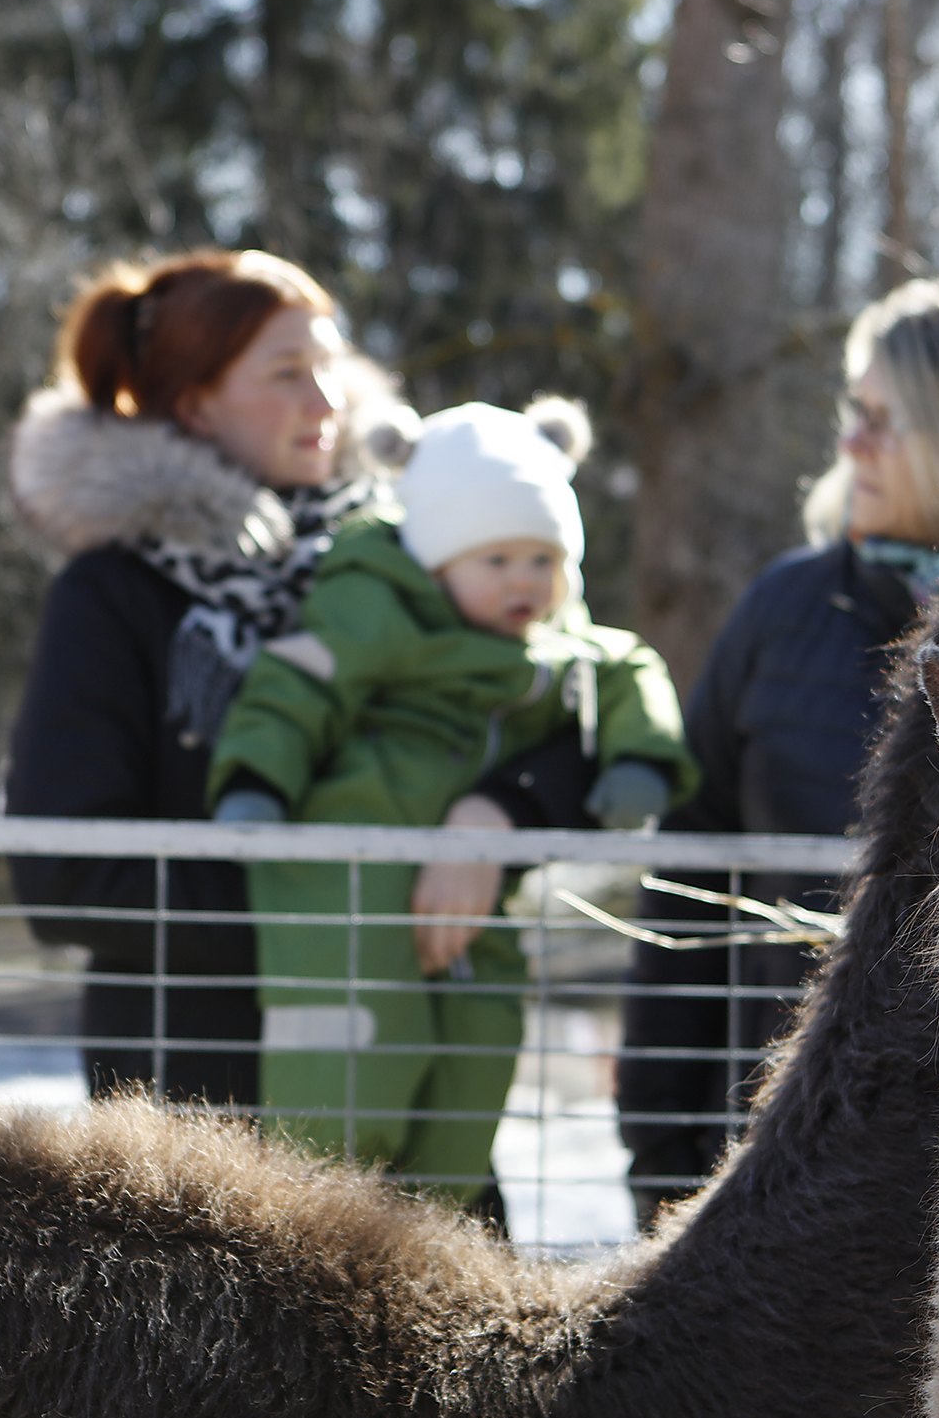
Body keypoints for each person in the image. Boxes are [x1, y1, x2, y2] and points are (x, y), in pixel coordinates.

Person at [2, 252, 600, 1110]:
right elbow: (67, 875)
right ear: (196, 403)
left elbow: (579, 714)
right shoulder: (115, 595)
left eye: (329, 366)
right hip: (199, 1110)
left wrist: (498, 816)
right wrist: (339, 911)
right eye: (287, 374)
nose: (327, 401)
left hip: (414, 1090)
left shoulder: (412, 555)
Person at [614, 272, 939, 1222]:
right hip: (784, 1169)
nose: (850, 443)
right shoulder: (787, 607)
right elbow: (684, 875)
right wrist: (663, 1155)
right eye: (853, 410)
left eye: (886, 419)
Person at [206, 399, 697, 1209]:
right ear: (437, 559)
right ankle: (312, 1224)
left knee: (479, 1044)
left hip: (476, 901)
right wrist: (255, 783)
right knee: (355, 1048)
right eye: (496, 559)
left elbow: (629, 668)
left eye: (543, 560)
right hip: (349, 868)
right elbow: (295, 685)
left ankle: (432, 1218)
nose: (524, 583)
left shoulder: (554, 642)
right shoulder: (377, 612)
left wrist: (641, 757)